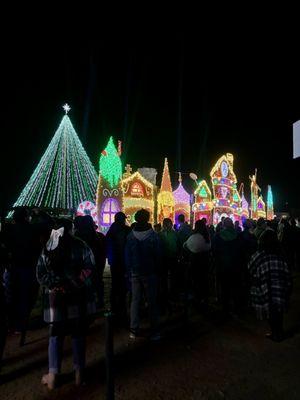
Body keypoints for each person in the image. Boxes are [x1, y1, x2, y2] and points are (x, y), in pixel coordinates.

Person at [37, 218, 97, 389]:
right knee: (78, 335)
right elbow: (90, 267)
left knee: (55, 336)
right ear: (71, 229)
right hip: (77, 297)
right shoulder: (81, 245)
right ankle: (79, 373)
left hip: (55, 299)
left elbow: (40, 273)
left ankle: (53, 375)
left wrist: (55, 285)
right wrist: (75, 283)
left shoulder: (48, 246)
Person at [248, 229, 292, 342]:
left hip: (264, 287)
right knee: (278, 311)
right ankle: (279, 332)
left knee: (270, 311)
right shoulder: (281, 254)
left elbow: (250, 269)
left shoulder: (258, 255)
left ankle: (275, 332)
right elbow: (287, 271)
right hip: (280, 287)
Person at [3, 208, 41, 334]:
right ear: (26, 217)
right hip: (28, 267)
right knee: (26, 295)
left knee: (11, 295)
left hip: (12, 266)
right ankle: (20, 324)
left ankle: (11, 323)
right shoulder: (32, 230)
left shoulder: (8, 229)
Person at [125, 209, 161, 340]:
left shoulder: (130, 236)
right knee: (152, 301)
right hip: (150, 272)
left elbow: (127, 256)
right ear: (147, 218)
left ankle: (133, 329)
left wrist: (128, 270)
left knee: (135, 300)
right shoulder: (153, 236)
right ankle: (155, 330)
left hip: (135, 272)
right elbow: (158, 255)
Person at [74, 215, 106, 308]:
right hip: (97, 265)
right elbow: (103, 252)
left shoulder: (78, 237)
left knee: (83, 286)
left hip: (83, 267)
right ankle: (99, 302)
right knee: (98, 283)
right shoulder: (99, 237)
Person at [106, 212, 131, 325]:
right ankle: (122, 310)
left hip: (114, 262)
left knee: (115, 285)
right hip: (123, 261)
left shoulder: (111, 230)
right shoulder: (126, 230)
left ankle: (114, 309)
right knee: (123, 286)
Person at [214, 217, 243, 314]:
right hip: (236, 266)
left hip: (223, 266)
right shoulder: (238, 236)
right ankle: (237, 307)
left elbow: (214, 251)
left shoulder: (218, 236)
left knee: (224, 288)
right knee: (235, 287)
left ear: (223, 225)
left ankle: (225, 308)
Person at [184, 219, 211, 311]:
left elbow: (185, 246)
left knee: (194, 281)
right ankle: (204, 299)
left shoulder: (193, 236)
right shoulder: (206, 237)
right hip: (205, 262)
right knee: (203, 281)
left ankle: (196, 300)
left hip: (194, 261)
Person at [159, 218, 179, 309]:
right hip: (164, 258)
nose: (167, 226)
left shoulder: (174, 234)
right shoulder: (160, 235)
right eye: (166, 224)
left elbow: (178, 244)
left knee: (173, 276)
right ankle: (165, 294)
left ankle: (171, 293)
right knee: (164, 276)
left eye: (169, 224)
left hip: (172, 257)